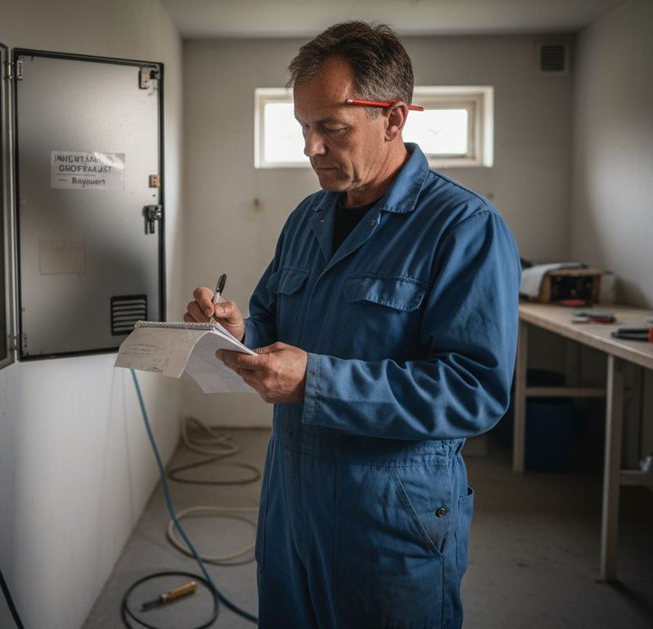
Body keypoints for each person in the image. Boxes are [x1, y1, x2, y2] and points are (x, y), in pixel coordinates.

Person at [184, 21, 520, 629]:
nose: (310, 148)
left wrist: (315, 381)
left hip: (390, 514)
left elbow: (475, 390)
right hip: (291, 497)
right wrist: (235, 329)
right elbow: (269, 321)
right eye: (303, 128)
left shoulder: (463, 227)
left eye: (330, 129)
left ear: (393, 118)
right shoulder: (307, 218)